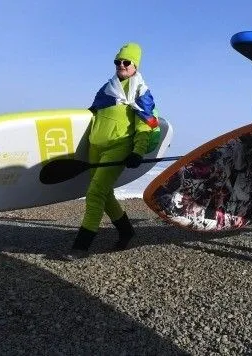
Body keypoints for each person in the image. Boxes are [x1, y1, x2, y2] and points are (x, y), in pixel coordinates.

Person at [68, 42, 159, 257]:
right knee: (105, 193)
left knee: (95, 193)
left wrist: (138, 151)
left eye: (126, 62)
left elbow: (144, 124)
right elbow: (91, 114)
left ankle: (81, 245)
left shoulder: (141, 92)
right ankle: (127, 232)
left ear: (135, 65)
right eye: (118, 61)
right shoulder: (107, 89)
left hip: (119, 147)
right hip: (95, 147)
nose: (121, 65)